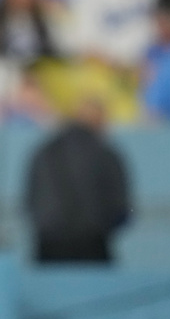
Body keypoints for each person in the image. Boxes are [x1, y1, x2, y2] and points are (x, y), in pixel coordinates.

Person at [25, 97, 131, 262]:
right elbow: (120, 207)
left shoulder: (45, 152)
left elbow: (30, 200)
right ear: (100, 121)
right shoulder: (106, 154)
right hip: (94, 246)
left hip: (48, 245)